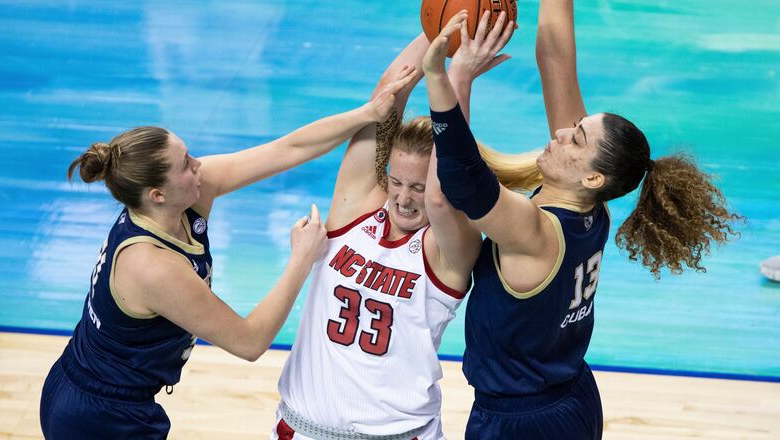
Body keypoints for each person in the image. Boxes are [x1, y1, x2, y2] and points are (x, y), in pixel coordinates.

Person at [38, 70, 417, 440]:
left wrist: (367, 114)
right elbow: (249, 342)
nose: (198, 164)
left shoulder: (184, 197)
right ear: (157, 194)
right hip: (97, 415)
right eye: (186, 164)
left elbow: (287, 149)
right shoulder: (151, 266)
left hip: (100, 391)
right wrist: (303, 259)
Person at [423, 4, 741, 439]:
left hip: (522, 422)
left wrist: (449, 76)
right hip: (572, 399)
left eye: (576, 138)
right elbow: (557, 61)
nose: (559, 134)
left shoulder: (537, 232)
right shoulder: (595, 205)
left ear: (593, 176)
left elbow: (454, 183)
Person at [272, 14, 524, 440]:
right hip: (302, 428)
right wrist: (446, 27)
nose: (404, 198)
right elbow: (388, 90)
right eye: (397, 181)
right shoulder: (356, 210)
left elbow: (449, 187)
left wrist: (456, 76)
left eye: (419, 188)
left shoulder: (448, 249)